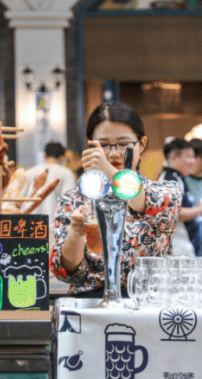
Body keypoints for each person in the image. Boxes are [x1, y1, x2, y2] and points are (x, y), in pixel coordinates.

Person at [49, 102, 180, 295]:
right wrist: (76, 233)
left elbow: (142, 202)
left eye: (124, 144)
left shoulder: (165, 192)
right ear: (91, 146)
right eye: (103, 145)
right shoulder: (74, 199)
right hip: (91, 306)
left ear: (142, 144)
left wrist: (108, 171)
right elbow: (67, 272)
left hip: (148, 303)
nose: (112, 153)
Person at [158, 137, 202, 257]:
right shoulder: (168, 180)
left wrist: (199, 218)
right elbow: (171, 213)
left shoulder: (178, 178)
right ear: (173, 157)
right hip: (178, 250)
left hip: (186, 247)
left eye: (194, 157)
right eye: (189, 156)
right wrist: (200, 210)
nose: (193, 161)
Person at [22, 141, 76, 241]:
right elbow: (69, 202)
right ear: (62, 157)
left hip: (29, 227)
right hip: (56, 229)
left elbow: (20, 201)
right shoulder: (67, 173)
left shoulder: (29, 173)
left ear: (45, 156)